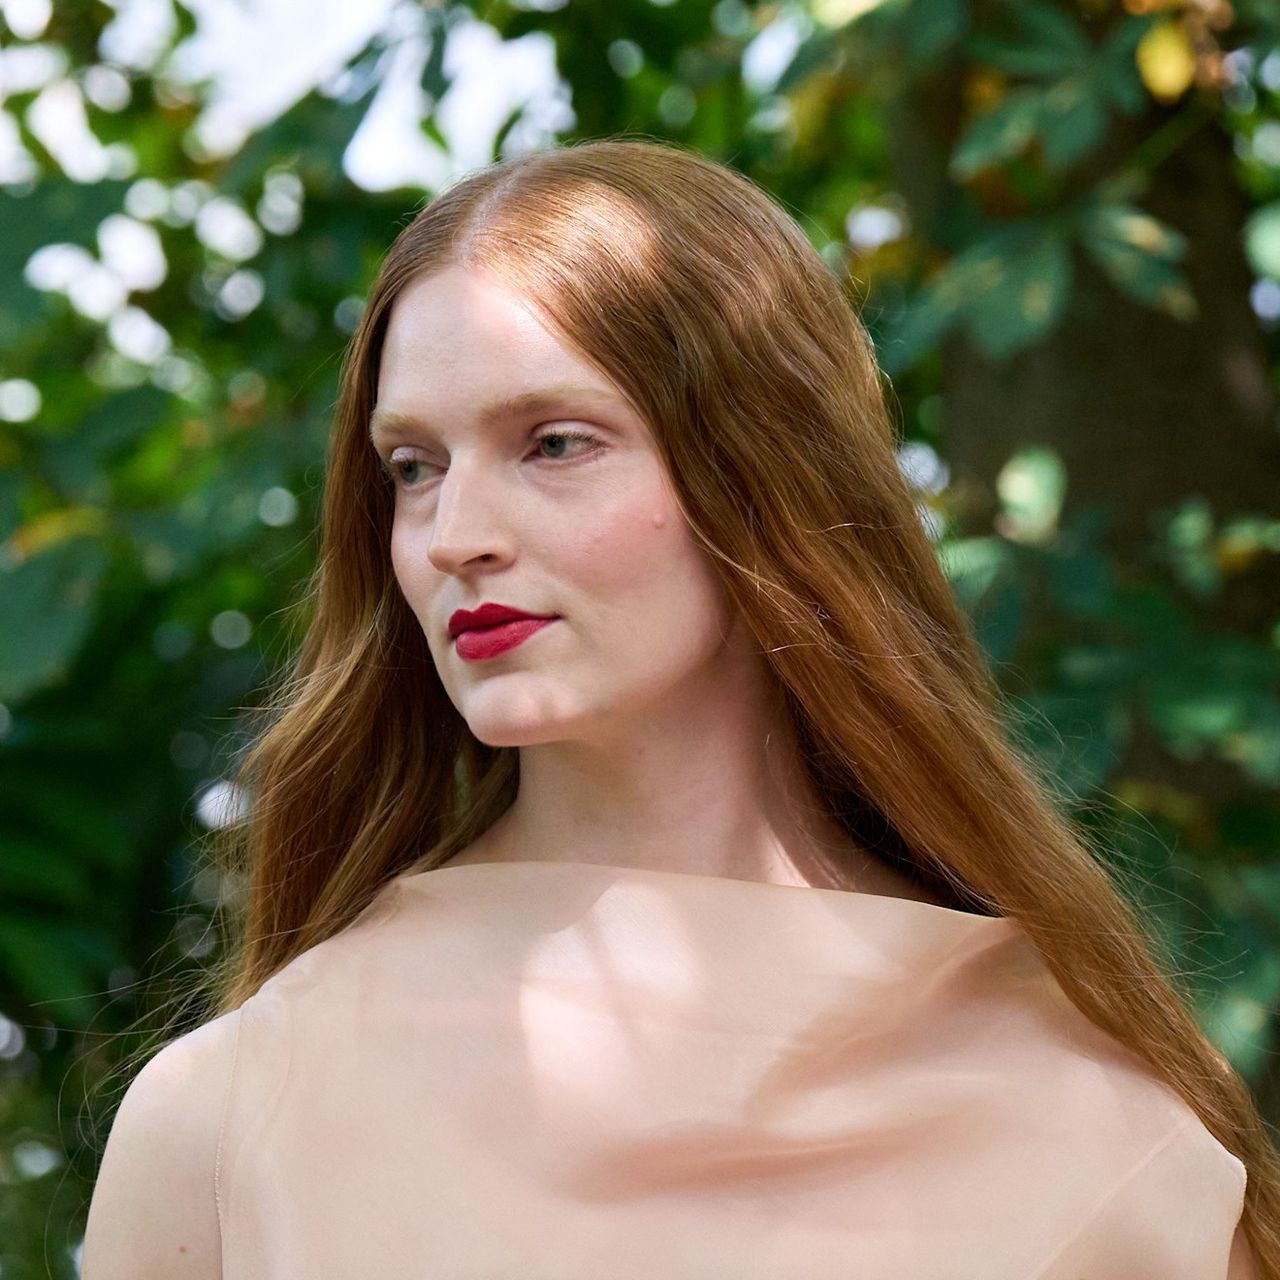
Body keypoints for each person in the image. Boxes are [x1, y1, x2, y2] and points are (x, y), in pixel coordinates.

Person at [81, 137, 1273, 1278]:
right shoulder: (231, 1126)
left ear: (761, 474)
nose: (456, 537)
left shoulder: (1102, 1134)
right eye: (412, 467)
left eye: (552, 442)